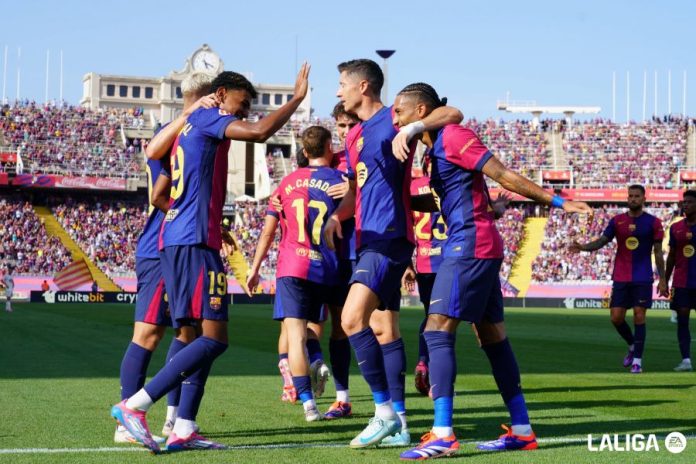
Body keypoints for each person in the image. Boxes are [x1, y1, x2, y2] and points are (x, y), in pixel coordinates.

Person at [111, 64, 311, 453]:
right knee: (214, 339)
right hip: (192, 242)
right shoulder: (207, 117)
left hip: (186, 239)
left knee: (188, 336)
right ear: (220, 95)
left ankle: (183, 425)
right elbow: (259, 133)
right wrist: (297, 100)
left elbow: (157, 156)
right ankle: (135, 405)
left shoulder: (191, 125)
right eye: (243, 102)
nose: (245, 112)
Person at [390, 83, 591, 460]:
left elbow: (503, 175)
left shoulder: (453, 135)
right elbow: (439, 198)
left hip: (470, 245)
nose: (394, 119)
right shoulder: (433, 151)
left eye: (399, 112)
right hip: (474, 244)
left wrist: (559, 201)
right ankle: (522, 430)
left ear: (420, 111)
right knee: (492, 336)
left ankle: (443, 433)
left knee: (437, 329)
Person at [323, 60, 463, 448]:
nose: (337, 92)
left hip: (389, 237)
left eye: (341, 85)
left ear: (362, 86)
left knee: (351, 320)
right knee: (383, 330)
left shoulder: (393, 118)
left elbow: (453, 113)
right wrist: (337, 216)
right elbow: (356, 192)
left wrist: (416, 127)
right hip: (366, 240)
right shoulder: (354, 138)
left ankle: (383, 412)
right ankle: (400, 424)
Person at [114, 72, 218, 446]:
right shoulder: (173, 133)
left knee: (187, 331)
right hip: (162, 244)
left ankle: (175, 419)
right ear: (209, 97)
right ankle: (128, 414)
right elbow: (159, 192)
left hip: (180, 242)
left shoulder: (188, 132)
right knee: (150, 332)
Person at [247, 125, 345, 421]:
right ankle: (326, 372)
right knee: (320, 329)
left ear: (303, 151)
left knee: (294, 337)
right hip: (326, 268)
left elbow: (267, 233)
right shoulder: (341, 182)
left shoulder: (286, 183)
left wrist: (254, 270)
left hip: (292, 267)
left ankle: (307, 404)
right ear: (330, 146)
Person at [571, 185, 667, 374]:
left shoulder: (653, 222)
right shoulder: (617, 221)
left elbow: (658, 252)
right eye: (630, 196)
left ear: (643, 199)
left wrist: (662, 279)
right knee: (616, 318)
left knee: (640, 315)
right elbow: (601, 241)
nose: (633, 199)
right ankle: (632, 345)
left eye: (636, 196)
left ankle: (637, 361)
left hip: (643, 277)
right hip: (621, 276)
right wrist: (583, 247)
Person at [665, 189, 696, 372]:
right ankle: (686, 360)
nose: (686, 204)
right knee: (682, 320)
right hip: (682, 282)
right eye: (684, 202)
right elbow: (672, 256)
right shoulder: (676, 227)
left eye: (690, 202)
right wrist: (665, 279)